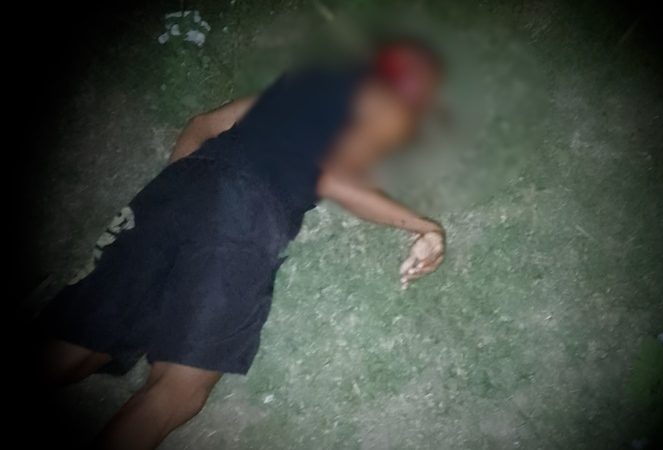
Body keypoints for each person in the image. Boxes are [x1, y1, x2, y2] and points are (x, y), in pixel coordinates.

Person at [37, 39, 445, 450]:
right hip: (249, 209)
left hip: (176, 190)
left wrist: (181, 197)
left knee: (77, 343)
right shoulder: (378, 105)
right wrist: (423, 226)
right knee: (175, 391)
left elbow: (202, 124)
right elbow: (334, 178)